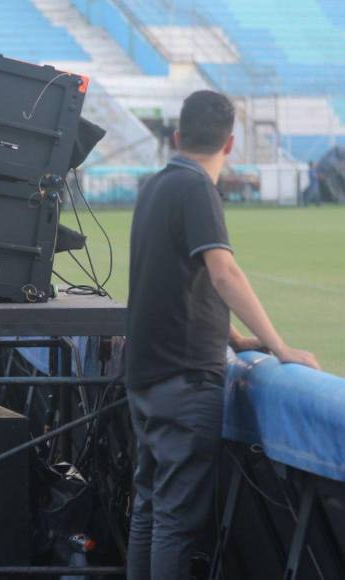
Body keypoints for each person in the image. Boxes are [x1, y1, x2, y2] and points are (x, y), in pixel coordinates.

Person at [125, 91, 320, 580]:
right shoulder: (196, 189)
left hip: (145, 374)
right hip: (185, 380)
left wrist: (233, 338)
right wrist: (278, 346)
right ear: (231, 144)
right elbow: (223, 273)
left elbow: (171, 281)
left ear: (175, 137)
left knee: (148, 508)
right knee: (174, 518)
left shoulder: (153, 187)